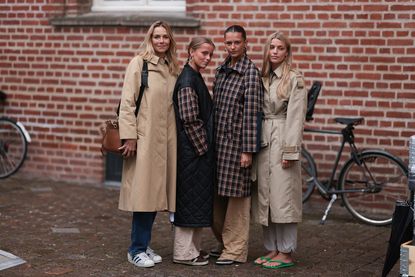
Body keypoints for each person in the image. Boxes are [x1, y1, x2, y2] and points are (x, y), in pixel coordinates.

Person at [117, 20, 179, 268]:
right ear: (150, 39)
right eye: (157, 37)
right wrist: (129, 136)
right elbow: (127, 103)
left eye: (165, 37)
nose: (161, 41)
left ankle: (143, 243)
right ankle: (135, 249)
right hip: (144, 140)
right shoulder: (139, 63)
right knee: (144, 195)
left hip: (166, 143)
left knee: (154, 195)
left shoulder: (172, 67)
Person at [251, 31, 307, 269]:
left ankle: (286, 252)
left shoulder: (294, 78)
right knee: (266, 198)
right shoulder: (263, 77)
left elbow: (295, 118)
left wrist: (290, 151)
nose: (274, 52)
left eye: (280, 48)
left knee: (284, 198)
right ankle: (272, 248)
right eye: (271, 47)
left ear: (287, 52)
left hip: (283, 137)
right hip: (264, 141)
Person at [211, 25, 264, 265]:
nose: (232, 47)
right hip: (219, 145)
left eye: (236, 42)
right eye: (228, 43)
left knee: (237, 202)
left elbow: (253, 114)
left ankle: (235, 251)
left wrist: (247, 150)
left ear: (245, 43)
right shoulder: (221, 69)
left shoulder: (250, 73)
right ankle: (224, 243)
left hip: (238, 146)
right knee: (217, 200)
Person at [171, 37, 216, 266]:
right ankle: (184, 254)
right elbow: (190, 120)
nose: (207, 58)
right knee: (189, 202)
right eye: (203, 53)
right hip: (192, 154)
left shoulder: (194, 75)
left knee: (197, 202)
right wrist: (204, 150)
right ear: (191, 52)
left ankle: (194, 250)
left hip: (196, 153)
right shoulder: (188, 80)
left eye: (210, 54)